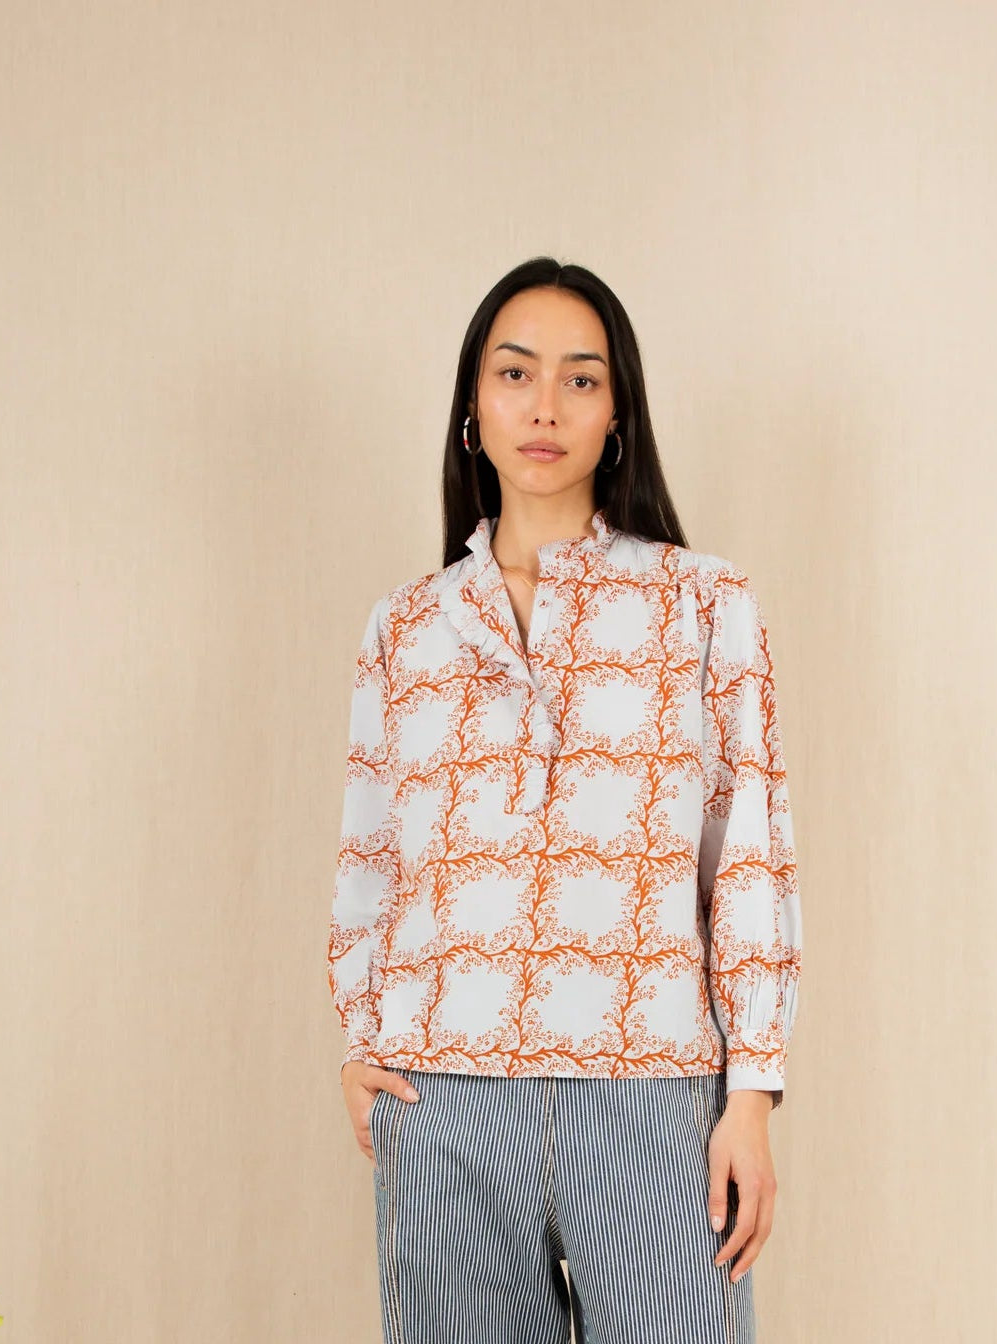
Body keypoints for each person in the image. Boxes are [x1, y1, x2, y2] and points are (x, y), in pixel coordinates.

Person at [327, 255, 803, 1344]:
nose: (546, 406)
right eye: (516, 374)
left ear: (617, 414)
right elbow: (370, 859)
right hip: (443, 1094)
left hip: (651, 1093)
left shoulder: (704, 605)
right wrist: (363, 1039)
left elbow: (751, 859)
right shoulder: (403, 630)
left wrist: (752, 1093)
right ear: (471, 409)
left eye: (581, 380)